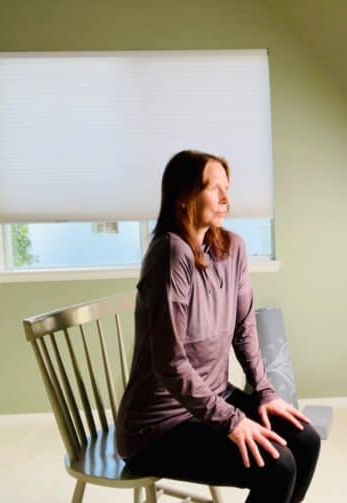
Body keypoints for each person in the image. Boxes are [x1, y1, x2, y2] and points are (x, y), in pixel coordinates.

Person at [115, 150, 320, 502]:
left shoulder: (232, 248)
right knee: (278, 466)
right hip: (158, 426)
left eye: (228, 188)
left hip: (213, 399)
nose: (226, 199)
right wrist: (232, 421)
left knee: (305, 440)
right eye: (215, 189)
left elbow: (244, 331)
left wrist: (265, 392)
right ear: (183, 197)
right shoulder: (169, 254)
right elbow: (170, 364)